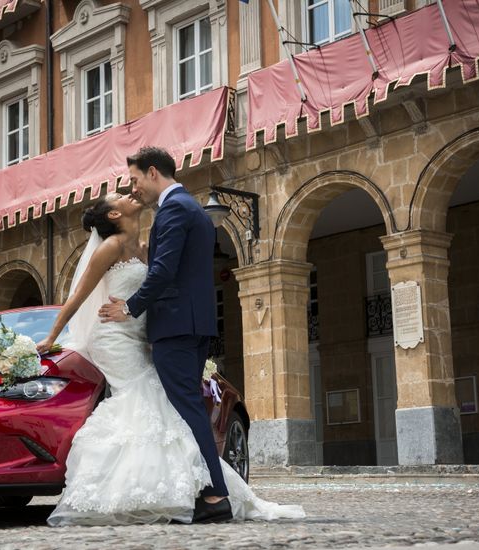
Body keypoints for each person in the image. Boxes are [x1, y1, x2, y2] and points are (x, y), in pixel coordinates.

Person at [36, 148, 305, 526]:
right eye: (125, 190)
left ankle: (213, 495)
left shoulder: (173, 210)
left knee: (181, 408)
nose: (133, 190)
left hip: (173, 328)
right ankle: (204, 490)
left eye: (134, 181)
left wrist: (129, 309)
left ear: (151, 173)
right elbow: (83, 294)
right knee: (173, 407)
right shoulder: (169, 215)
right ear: (114, 216)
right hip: (152, 332)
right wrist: (53, 335)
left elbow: (162, 274)